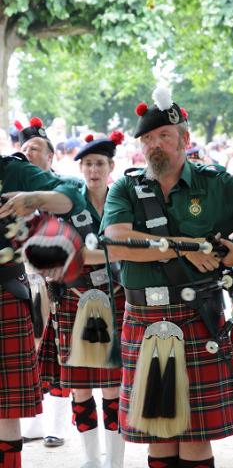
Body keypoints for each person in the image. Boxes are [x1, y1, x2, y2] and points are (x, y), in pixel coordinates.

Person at [101, 86, 233, 468]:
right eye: (148, 139)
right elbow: (117, 242)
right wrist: (186, 245)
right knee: (158, 437)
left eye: (164, 136)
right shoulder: (127, 187)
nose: (155, 145)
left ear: (185, 139)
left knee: (194, 437)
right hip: (144, 320)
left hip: (197, 318)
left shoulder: (215, 185)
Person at [0, 118, 85, 467]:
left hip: (3, 291)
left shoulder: (13, 171)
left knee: (5, 408)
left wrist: (34, 197)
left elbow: (73, 194)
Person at [38, 131, 126, 468]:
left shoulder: (124, 201)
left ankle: (114, 460)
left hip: (115, 297)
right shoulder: (69, 201)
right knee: (80, 387)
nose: (93, 170)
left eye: (99, 163)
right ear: (82, 168)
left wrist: (86, 254)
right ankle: (91, 459)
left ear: (110, 166)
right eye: (87, 164)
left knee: (113, 386)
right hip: (75, 298)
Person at [19, 120, 74, 448]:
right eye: (23, 149)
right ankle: (35, 422)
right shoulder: (12, 191)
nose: (27, 153)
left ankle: (57, 425)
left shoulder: (65, 189)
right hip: (25, 284)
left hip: (60, 285)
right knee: (30, 356)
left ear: (51, 156)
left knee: (59, 356)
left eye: (35, 149)